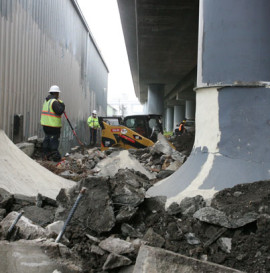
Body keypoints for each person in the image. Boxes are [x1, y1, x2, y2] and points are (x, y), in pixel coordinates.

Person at [40, 85, 65, 161]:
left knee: (47, 139)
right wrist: (62, 105)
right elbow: (60, 111)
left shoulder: (46, 101)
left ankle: (45, 155)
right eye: (58, 93)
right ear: (55, 93)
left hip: (46, 125)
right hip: (53, 126)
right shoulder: (54, 102)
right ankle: (55, 158)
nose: (58, 95)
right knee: (54, 141)